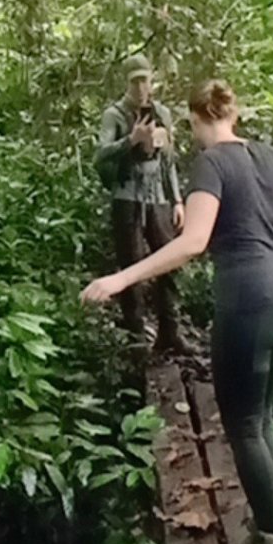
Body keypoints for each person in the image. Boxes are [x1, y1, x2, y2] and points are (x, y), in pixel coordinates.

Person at [83, 79, 273, 544]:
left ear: (197, 120)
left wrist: (121, 278)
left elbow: (193, 243)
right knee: (262, 419)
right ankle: (270, 534)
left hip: (250, 302)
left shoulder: (210, 162)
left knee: (244, 425)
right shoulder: (269, 154)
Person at [95, 54, 185, 354]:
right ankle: (135, 336)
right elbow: (100, 155)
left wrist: (177, 200)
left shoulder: (162, 113)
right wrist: (130, 141)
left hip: (157, 196)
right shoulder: (115, 115)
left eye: (145, 80)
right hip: (127, 197)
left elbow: (169, 161)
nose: (141, 87)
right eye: (135, 81)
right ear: (127, 82)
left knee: (168, 262)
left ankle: (169, 332)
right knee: (131, 264)